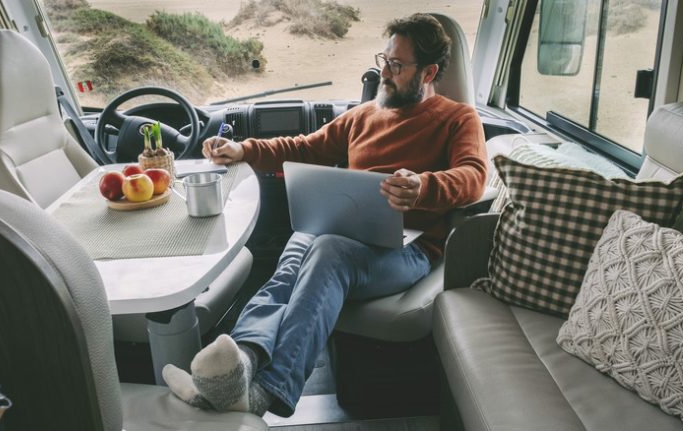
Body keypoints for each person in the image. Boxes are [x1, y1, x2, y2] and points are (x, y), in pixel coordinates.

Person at [162, 12, 488, 417]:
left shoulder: (458, 119)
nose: (385, 72)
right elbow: (304, 147)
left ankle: (268, 391)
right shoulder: (364, 115)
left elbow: (474, 176)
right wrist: (244, 149)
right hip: (343, 233)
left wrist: (424, 186)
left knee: (327, 249)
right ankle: (239, 370)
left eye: (397, 65)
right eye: (384, 60)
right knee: (297, 249)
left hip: (408, 251)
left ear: (429, 72)